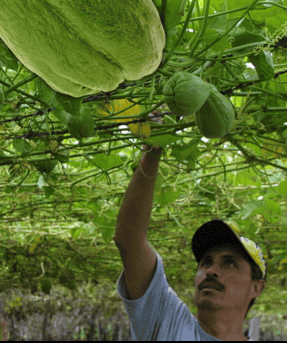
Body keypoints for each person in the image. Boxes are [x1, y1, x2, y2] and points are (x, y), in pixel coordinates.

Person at [114, 143, 267, 341]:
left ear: (256, 288)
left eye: (229, 263)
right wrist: (154, 147)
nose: (211, 271)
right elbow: (129, 238)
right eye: (206, 262)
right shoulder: (166, 322)